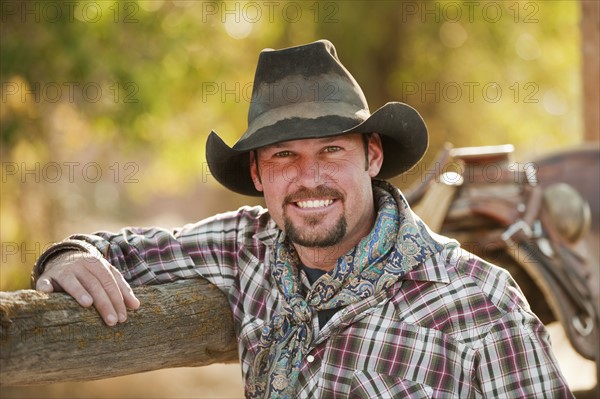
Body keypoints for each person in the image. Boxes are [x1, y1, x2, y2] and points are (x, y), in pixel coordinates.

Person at [32, 40, 574, 398]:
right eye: (284, 156)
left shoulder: (481, 305)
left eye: (332, 151)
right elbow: (121, 250)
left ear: (373, 156)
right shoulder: (247, 246)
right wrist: (68, 255)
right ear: (259, 173)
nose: (309, 177)